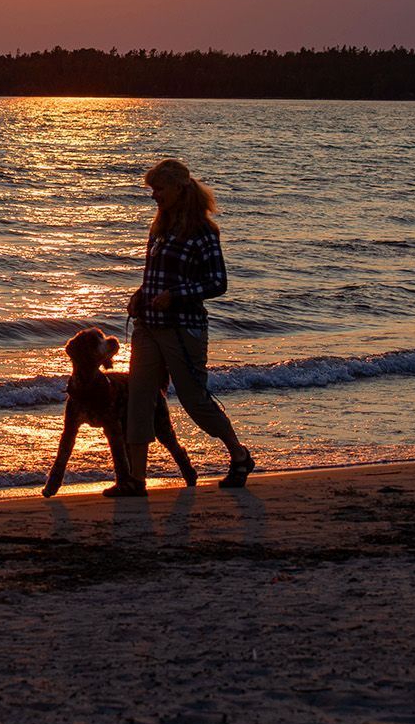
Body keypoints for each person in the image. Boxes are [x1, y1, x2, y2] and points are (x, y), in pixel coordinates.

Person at [125, 158, 256, 488]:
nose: (153, 195)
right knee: (138, 399)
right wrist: (140, 295)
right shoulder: (160, 227)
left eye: (158, 189)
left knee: (194, 401)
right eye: (151, 189)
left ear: (178, 190)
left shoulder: (203, 233)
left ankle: (239, 455)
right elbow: (155, 276)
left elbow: (217, 283)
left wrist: (176, 295)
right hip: (147, 327)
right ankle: (135, 481)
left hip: (183, 329)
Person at [42, 327, 197, 498]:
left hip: (141, 392)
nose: (109, 342)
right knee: (70, 439)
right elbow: (67, 441)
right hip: (102, 392)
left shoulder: (106, 390)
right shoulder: (74, 396)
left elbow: (116, 440)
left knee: (163, 435)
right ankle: (54, 482)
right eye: (99, 343)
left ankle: (183, 469)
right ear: (86, 355)